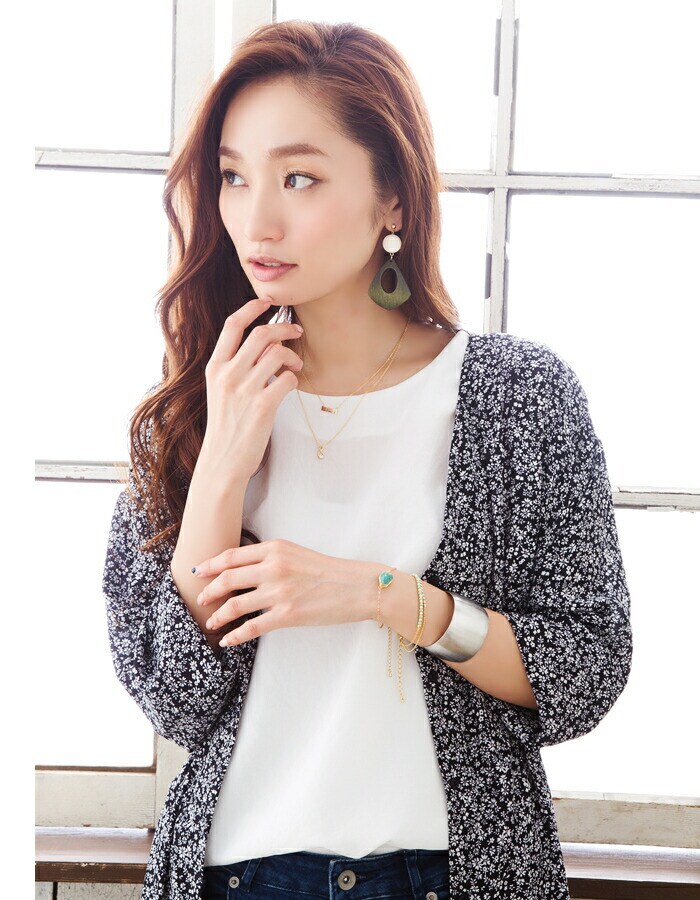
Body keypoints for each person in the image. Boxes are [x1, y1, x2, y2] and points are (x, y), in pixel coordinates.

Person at [102, 20, 633, 900]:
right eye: (233, 176)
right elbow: (172, 697)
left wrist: (383, 596)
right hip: (240, 877)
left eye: (299, 178)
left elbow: (585, 671)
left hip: (453, 876)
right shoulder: (195, 409)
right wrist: (224, 462)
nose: (257, 220)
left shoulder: (518, 397)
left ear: (393, 199)